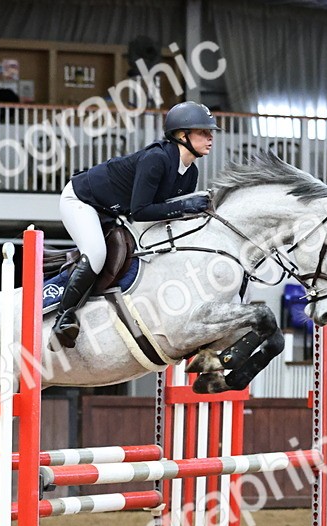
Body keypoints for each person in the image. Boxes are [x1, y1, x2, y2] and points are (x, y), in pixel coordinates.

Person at [53, 101, 220, 347]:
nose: (210, 138)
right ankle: (63, 318)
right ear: (183, 135)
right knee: (97, 254)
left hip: (114, 209)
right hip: (83, 200)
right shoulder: (156, 159)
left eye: (210, 133)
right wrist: (185, 206)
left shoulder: (190, 173)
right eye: (204, 132)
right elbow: (141, 211)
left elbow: (165, 216)